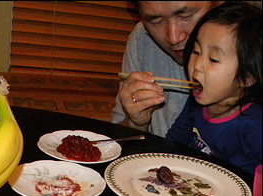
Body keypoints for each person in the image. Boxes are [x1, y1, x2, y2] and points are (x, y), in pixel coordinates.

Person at [166, 1, 262, 175]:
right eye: (196, 51)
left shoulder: (254, 124)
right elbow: (173, 144)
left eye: (213, 59)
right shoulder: (195, 102)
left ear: (247, 78)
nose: (197, 65)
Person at [111, 1, 224, 136]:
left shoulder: (248, 47)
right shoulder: (142, 38)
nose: (174, 38)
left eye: (186, 16)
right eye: (157, 21)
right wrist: (136, 123)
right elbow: (117, 139)